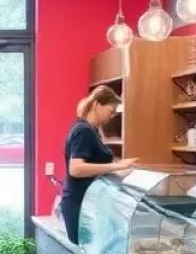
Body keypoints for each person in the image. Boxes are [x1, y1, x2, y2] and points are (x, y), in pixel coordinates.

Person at [58, 85, 138, 243]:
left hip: (86, 202)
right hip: (79, 203)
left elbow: (92, 165)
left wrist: (116, 174)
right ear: (97, 105)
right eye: (111, 110)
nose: (113, 115)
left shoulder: (89, 130)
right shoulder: (84, 131)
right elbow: (76, 168)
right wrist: (116, 166)